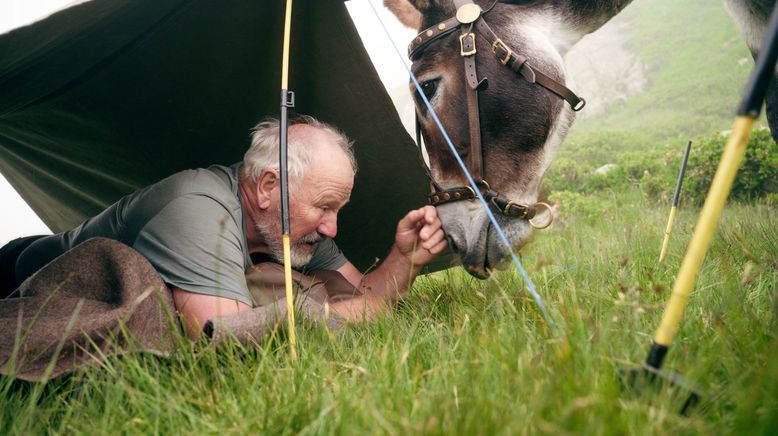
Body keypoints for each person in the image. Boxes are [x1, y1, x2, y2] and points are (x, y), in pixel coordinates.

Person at [0, 115, 447, 338]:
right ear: (268, 186)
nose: (332, 227)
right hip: (21, 268)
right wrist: (326, 315)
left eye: (339, 210)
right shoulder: (199, 208)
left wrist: (402, 258)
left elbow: (363, 296)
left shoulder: (299, 228)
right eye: (326, 207)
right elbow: (219, 338)